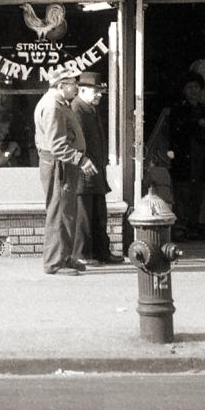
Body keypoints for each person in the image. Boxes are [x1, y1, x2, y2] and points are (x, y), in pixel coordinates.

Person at [34, 66, 97, 276]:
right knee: (59, 212)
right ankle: (54, 262)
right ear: (61, 86)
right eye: (73, 84)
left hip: (62, 164)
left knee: (67, 211)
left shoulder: (60, 103)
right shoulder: (53, 107)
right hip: (58, 164)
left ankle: (65, 256)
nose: (76, 87)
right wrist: (81, 159)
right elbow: (57, 146)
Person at [71, 72, 124, 266]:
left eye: (100, 91)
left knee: (98, 213)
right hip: (85, 170)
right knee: (84, 215)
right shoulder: (77, 109)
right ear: (82, 90)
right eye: (96, 91)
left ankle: (101, 252)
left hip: (96, 169)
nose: (100, 94)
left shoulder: (89, 108)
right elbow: (77, 142)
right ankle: (82, 253)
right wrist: (84, 162)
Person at [168, 71, 205, 241]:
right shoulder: (178, 109)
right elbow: (176, 131)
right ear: (184, 90)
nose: (193, 90)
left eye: (196, 87)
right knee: (182, 194)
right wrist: (196, 125)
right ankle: (180, 228)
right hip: (184, 160)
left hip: (201, 160)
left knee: (197, 196)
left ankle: (193, 227)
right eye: (189, 87)